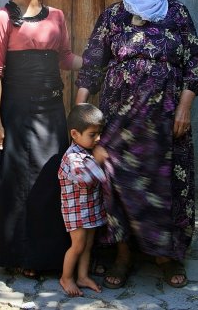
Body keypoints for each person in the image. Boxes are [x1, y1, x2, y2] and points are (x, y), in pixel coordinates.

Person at [75, 0, 198, 289]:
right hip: (120, 117)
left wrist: (184, 107)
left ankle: (167, 256)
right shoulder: (114, 14)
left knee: (168, 184)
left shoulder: (176, 13)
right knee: (118, 183)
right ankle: (123, 254)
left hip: (165, 117)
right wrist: (80, 111)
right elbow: (92, 64)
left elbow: (195, 63)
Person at [0, 0, 83, 277]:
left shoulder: (57, 16)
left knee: (50, 181)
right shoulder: (1, 18)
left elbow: (66, 59)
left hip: (53, 111)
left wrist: (102, 63)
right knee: (18, 184)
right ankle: (21, 256)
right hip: (17, 113)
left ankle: (47, 256)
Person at [58, 103, 107, 297]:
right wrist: (98, 161)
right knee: (77, 245)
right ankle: (66, 277)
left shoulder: (87, 151)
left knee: (88, 244)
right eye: (92, 135)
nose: (98, 139)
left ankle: (82, 276)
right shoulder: (73, 157)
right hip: (76, 211)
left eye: (99, 133)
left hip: (91, 208)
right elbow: (84, 181)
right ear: (75, 134)